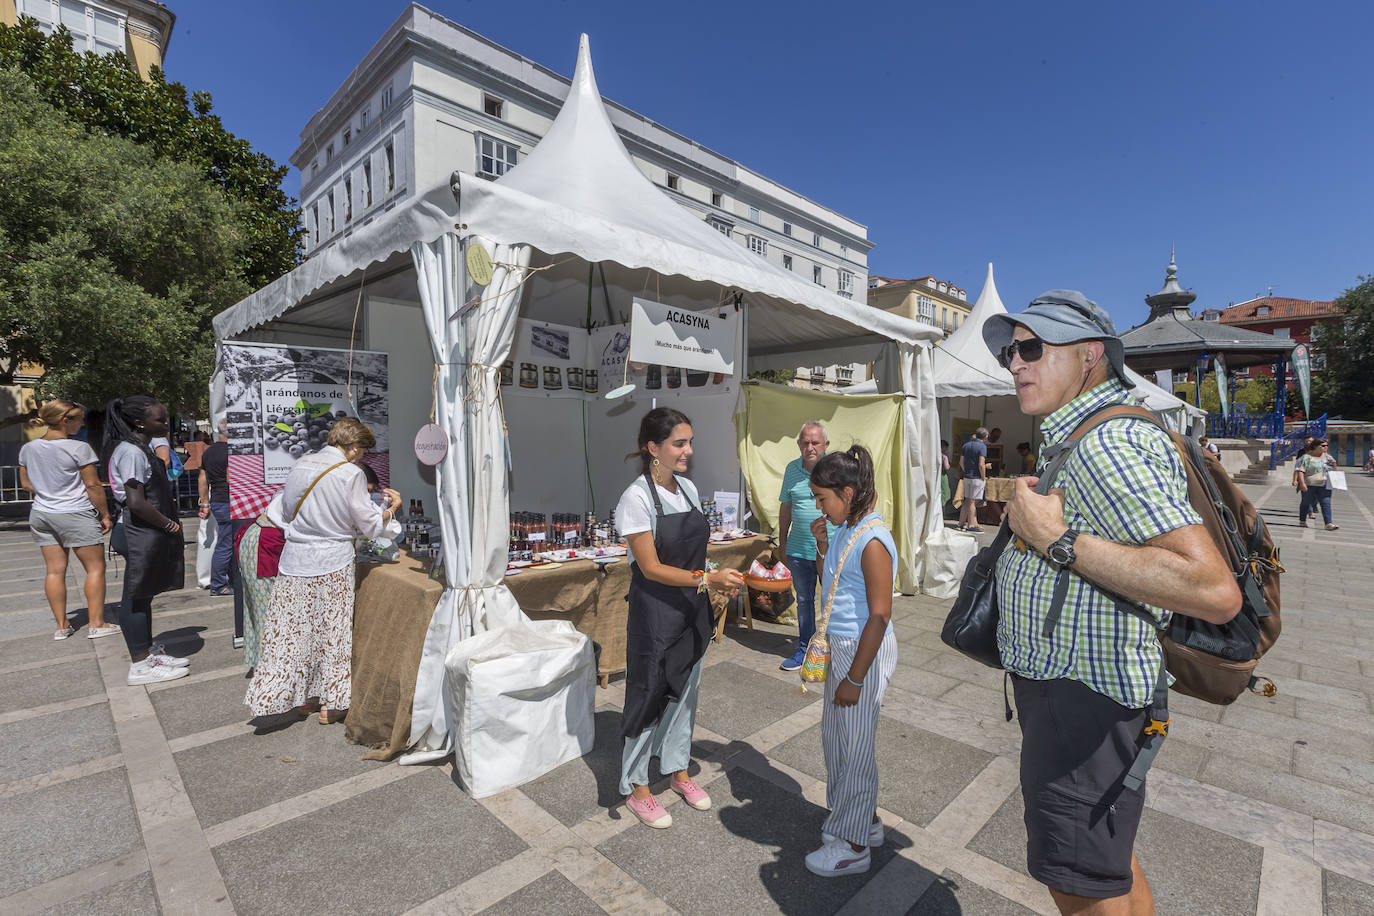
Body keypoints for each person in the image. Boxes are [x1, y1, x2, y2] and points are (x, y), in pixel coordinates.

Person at [983, 290, 1240, 914]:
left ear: (1090, 355)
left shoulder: (1107, 444)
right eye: (1008, 351)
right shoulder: (1083, 434)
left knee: (1077, 884)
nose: (1015, 363)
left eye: (1031, 348)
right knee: (1107, 862)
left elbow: (1211, 590)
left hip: (1082, 700)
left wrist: (1056, 540)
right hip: (1087, 695)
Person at [615, 407, 744, 828]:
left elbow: (692, 552)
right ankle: (637, 787)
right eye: (679, 443)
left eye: (690, 441)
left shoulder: (687, 489)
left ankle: (679, 772)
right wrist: (707, 577)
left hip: (691, 609)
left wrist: (712, 581)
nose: (689, 450)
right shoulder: (635, 499)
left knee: (685, 694)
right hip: (655, 614)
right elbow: (651, 567)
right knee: (648, 693)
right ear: (654, 448)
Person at [245, 419, 401, 723]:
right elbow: (370, 526)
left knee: (297, 632)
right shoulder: (350, 473)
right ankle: (333, 702)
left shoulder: (301, 463)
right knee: (333, 632)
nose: (362, 457)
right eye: (363, 451)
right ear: (354, 446)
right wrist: (392, 508)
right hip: (333, 559)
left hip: (295, 560)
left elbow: (287, 512)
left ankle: (302, 697)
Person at [802, 445, 899, 878]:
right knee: (838, 740)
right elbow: (835, 586)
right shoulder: (846, 527)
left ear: (846, 491)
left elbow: (879, 614)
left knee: (856, 749)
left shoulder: (873, 539)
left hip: (864, 651)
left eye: (823, 498)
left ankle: (855, 844)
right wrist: (823, 546)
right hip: (844, 647)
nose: (819, 506)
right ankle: (865, 820)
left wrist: (855, 679)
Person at [104, 397, 190, 685]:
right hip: (135, 532)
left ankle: (148, 652)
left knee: (144, 595)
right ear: (140, 422)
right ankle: (140, 665)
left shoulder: (141, 448)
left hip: (144, 531)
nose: (165, 425)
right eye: (160, 420)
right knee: (135, 598)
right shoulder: (131, 452)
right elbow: (136, 501)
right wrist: (169, 525)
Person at [18, 399, 117, 640]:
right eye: (80, 419)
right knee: (95, 568)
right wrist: (105, 514)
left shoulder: (28, 448)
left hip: (42, 513)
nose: (82, 423)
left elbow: (26, 484)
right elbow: (92, 485)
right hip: (75, 512)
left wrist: (47, 492)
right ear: (66, 420)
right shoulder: (78, 448)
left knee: (54, 570)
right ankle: (97, 623)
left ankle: (62, 626)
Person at [777, 421, 829, 672]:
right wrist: (782, 542)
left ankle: (831, 651)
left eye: (815, 442)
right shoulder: (791, 469)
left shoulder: (836, 469)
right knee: (805, 601)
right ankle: (805, 650)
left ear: (825, 445)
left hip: (830, 551)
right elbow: (785, 507)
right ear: (799, 444)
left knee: (834, 601)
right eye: (805, 442)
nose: (810, 447)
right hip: (799, 549)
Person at [197, 425, 233, 596]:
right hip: (230, 501)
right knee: (226, 545)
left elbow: (202, 478)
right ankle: (218, 585)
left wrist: (205, 503)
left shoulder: (209, 452)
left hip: (217, 500)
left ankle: (227, 581)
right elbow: (230, 477)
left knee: (227, 542)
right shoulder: (232, 451)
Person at [1296, 438, 1339, 530]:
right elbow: (1301, 471)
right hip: (1309, 484)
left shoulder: (1328, 457)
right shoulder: (1307, 457)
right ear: (1315, 446)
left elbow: (1334, 471)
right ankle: (1302, 521)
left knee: (1326, 503)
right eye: (1323, 446)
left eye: (1327, 446)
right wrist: (1302, 483)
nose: (1325, 447)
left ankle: (1328, 523)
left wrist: (1334, 464)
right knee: (1306, 503)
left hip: (1324, 484)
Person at [959, 428, 989, 532]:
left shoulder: (966, 445)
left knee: (967, 500)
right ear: (986, 437)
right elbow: (981, 464)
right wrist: (983, 477)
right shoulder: (982, 446)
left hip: (967, 476)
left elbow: (961, 462)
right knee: (972, 502)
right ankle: (971, 525)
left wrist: (966, 471)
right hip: (977, 477)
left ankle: (961, 523)